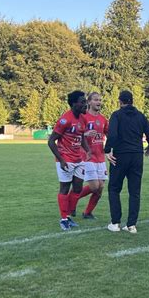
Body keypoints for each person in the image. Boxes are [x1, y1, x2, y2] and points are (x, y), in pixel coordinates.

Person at [104, 90, 149, 233]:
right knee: (135, 191)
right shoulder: (140, 116)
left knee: (114, 189)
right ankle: (131, 225)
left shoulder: (117, 115)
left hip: (120, 155)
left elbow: (112, 134)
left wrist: (107, 150)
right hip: (137, 156)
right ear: (132, 101)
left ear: (120, 101)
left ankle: (115, 223)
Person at [48, 90, 90, 231]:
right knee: (65, 188)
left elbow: (82, 137)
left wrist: (87, 150)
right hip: (65, 159)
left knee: (78, 187)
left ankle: (69, 213)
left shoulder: (83, 119)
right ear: (74, 104)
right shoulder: (65, 120)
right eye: (82, 102)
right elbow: (51, 141)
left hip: (79, 159)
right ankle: (64, 219)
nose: (85, 104)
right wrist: (61, 160)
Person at [74, 92, 109, 220]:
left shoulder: (103, 119)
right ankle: (72, 199)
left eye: (100, 100)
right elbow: (75, 135)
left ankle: (87, 212)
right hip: (87, 156)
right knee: (94, 186)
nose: (99, 102)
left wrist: (111, 149)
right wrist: (86, 134)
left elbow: (109, 134)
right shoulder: (83, 117)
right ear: (89, 102)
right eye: (95, 100)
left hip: (100, 157)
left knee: (100, 189)